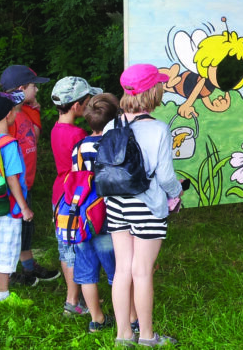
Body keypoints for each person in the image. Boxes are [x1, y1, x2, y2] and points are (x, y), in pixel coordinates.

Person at [108, 64, 182, 346]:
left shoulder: (111, 125)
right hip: (147, 205)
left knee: (122, 270)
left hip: (116, 204)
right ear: (153, 91)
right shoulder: (159, 129)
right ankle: (148, 336)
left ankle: (123, 335)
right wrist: (177, 193)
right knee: (142, 271)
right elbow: (165, 177)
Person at [0, 65, 60, 286]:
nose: (37, 91)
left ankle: (28, 267)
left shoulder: (23, 111)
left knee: (26, 230)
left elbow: (34, 136)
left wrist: (34, 110)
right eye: (34, 87)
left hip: (25, 182)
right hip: (11, 186)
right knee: (11, 231)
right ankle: (6, 273)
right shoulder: (7, 116)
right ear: (22, 88)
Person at [0, 91, 35, 308]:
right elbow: (12, 179)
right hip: (9, 207)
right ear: (9, 114)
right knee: (6, 248)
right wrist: (24, 207)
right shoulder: (8, 144)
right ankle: (3, 296)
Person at [51, 76, 101, 315]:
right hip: (76, 196)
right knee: (79, 246)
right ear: (76, 106)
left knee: (65, 246)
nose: (90, 103)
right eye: (88, 100)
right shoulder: (78, 134)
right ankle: (74, 300)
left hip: (59, 194)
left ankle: (73, 298)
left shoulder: (56, 128)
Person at [71, 93, 121, 332]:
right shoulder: (112, 145)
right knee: (117, 270)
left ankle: (96, 319)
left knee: (86, 270)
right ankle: (128, 317)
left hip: (81, 216)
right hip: (106, 215)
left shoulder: (79, 147)